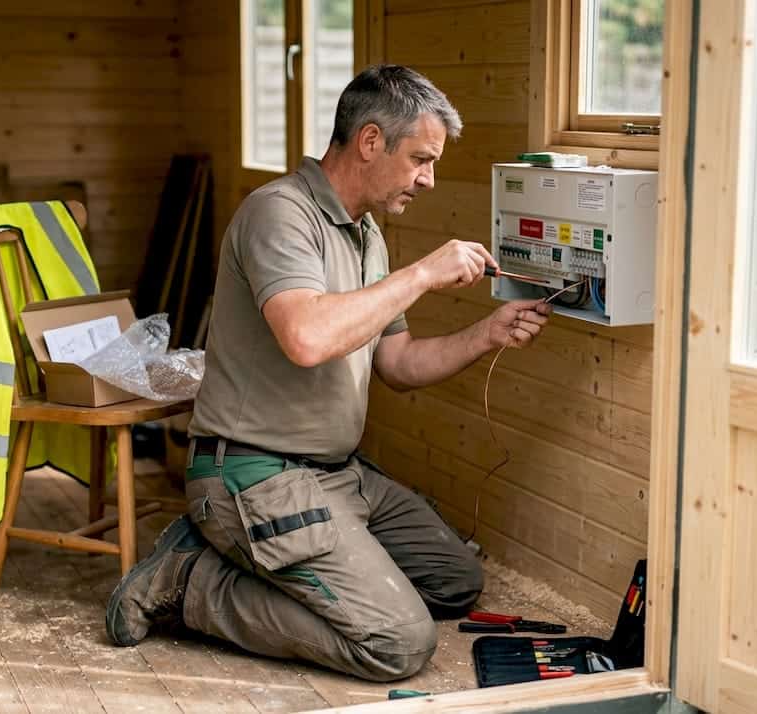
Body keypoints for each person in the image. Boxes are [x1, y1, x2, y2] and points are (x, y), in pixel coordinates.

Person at [105, 65, 551, 682]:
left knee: (453, 582)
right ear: (370, 141)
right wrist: (422, 275)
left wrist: (486, 334)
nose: (429, 179)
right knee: (398, 644)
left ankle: (281, 558)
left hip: (336, 474)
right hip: (250, 472)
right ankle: (191, 581)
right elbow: (308, 337)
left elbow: (395, 364)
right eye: (421, 159)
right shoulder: (279, 214)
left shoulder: (367, 236)